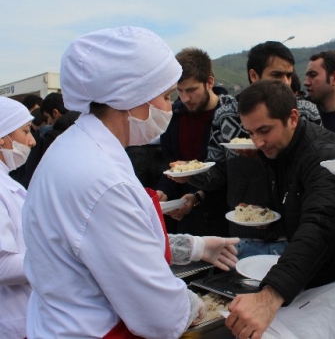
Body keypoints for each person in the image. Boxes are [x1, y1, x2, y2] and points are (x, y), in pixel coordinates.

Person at [23, 26, 239, 338]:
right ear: (132, 99)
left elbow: (113, 244)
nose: (170, 108)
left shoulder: (76, 147)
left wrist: (197, 247)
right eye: (166, 97)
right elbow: (159, 313)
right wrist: (195, 306)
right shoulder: (102, 180)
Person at [225, 79, 335, 339]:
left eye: (264, 130)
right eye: (250, 133)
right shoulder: (278, 149)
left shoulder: (323, 153)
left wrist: (271, 296)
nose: (257, 142)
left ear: (292, 117)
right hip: (314, 269)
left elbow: (321, 222)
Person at [189, 41, 321, 259]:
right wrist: (190, 176)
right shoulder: (226, 115)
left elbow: (314, 176)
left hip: (293, 237)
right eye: (277, 75)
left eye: (289, 75)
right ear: (254, 75)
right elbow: (217, 174)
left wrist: (265, 157)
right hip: (243, 239)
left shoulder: (305, 112)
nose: (286, 83)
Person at [156, 47, 229, 237]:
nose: (185, 98)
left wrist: (197, 198)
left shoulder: (229, 116)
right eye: (179, 91)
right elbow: (169, 160)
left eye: (191, 90)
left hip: (220, 216)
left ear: (209, 82)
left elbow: (229, 171)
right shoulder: (174, 115)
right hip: (181, 216)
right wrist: (164, 190)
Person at [0, 97, 35, 339]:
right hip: (12, 319)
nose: (32, 140)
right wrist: (58, 256)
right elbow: (2, 266)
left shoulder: (7, 182)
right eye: (24, 131)